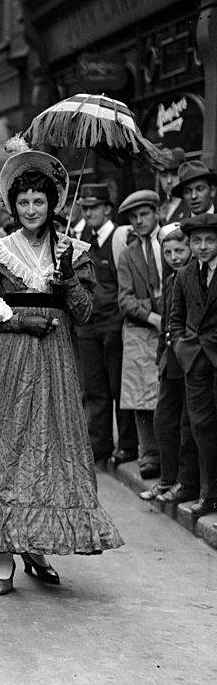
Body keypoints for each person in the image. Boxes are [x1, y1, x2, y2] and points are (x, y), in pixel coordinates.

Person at [0, 141, 123, 595]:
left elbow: (86, 312)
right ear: (13, 206)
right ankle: (4, 558)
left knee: (48, 450)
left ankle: (35, 546)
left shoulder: (70, 250)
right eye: (23, 202)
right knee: (8, 451)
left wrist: (68, 281)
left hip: (55, 360)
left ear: (52, 204)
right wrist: (18, 318)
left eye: (39, 201)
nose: (32, 209)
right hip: (8, 360)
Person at [76, 183, 137, 465]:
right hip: (88, 324)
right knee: (94, 388)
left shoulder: (121, 237)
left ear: (107, 209)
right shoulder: (79, 237)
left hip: (115, 323)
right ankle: (98, 445)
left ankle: (127, 445)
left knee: (117, 386)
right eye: (85, 208)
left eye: (94, 207)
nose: (89, 213)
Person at [141, 224, 199, 503]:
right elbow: (167, 319)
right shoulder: (171, 279)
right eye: (168, 252)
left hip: (187, 357)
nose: (174, 257)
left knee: (188, 425)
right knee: (164, 420)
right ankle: (167, 478)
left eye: (180, 250)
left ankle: (184, 483)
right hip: (170, 359)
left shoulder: (192, 278)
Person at [168, 213, 217, 517]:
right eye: (197, 241)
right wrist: (180, 345)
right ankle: (208, 495)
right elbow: (176, 316)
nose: (203, 246)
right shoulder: (185, 274)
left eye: (210, 240)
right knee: (201, 429)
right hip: (195, 363)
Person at [116, 189, 164, 480]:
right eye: (133, 218)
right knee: (139, 396)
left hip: (171, 326)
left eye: (144, 214)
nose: (139, 221)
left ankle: (170, 455)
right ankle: (149, 455)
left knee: (167, 395)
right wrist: (151, 312)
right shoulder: (128, 254)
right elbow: (124, 300)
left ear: (156, 213)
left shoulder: (170, 243)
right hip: (140, 328)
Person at [157, 148, 186, 223]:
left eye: (174, 174)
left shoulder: (193, 205)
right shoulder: (161, 209)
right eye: (164, 176)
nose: (169, 181)